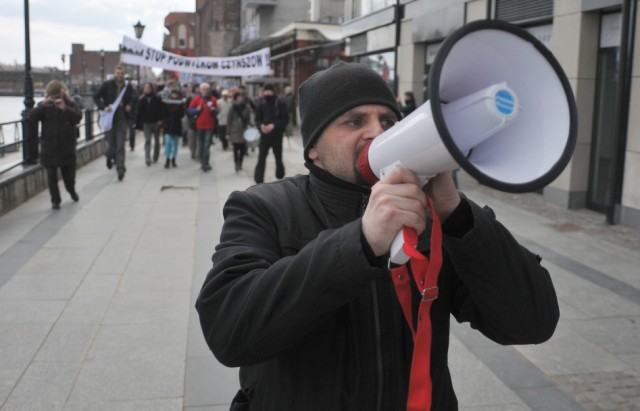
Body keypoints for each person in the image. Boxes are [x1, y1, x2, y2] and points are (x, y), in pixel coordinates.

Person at [195, 62, 559, 410]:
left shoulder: (435, 219)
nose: (377, 132)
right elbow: (229, 332)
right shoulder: (264, 208)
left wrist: (458, 217)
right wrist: (361, 243)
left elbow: (531, 322)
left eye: (388, 120)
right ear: (313, 150)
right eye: (354, 121)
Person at [30, 80, 82, 209]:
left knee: (69, 178)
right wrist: (42, 105)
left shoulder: (70, 104)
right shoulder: (44, 106)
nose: (55, 99)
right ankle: (55, 200)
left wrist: (64, 108)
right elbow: (31, 117)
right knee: (51, 176)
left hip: (66, 147)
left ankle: (71, 190)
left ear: (62, 93)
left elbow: (77, 117)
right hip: (50, 147)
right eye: (52, 97)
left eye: (57, 96)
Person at [93, 65, 133, 181]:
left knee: (121, 145)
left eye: (122, 73)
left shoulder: (128, 87)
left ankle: (120, 169)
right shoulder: (107, 85)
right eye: (118, 73)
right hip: (110, 116)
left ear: (124, 74)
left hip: (122, 117)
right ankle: (109, 156)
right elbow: (96, 97)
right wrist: (103, 107)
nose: (120, 75)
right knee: (112, 145)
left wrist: (129, 105)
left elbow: (131, 99)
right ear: (115, 74)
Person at [253, 83, 289, 184]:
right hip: (265, 136)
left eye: (269, 91)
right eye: (265, 91)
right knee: (261, 158)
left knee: (278, 157)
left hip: (277, 135)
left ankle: (280, 176)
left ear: (273, 91)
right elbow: (257, 119)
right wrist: (261, 126)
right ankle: (258, 179)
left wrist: (274, 125)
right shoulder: (261, 103)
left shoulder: (280, 103)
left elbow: (285, 119)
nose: (267, 93)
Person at [188, 83, 219, 172]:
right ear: (200, 90)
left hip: (210, 126)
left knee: (207, 145)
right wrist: (196, 110)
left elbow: (217, 112)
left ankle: (206, 163)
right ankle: (202, 162)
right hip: (199, 125)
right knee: (201, 145)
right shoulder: (196, 99)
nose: (205, 90)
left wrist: (214, 110)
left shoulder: (213, 99)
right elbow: (189, 111)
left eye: (207, 88)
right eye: (203, 89)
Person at [136, 82, 164, 166]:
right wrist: (138, 124)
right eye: (145, 87)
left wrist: (160, 120)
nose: (147, 89)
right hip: (146, 123)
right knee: (147, 140)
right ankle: (147, 158)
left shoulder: (157, 98)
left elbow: (162, 110)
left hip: (156, 122)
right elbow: (139, 112)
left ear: (151, 88)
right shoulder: (142, 99)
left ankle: (155, 156)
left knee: (156, 141)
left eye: (148, 87)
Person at [226, 91, 252, 172]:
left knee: (242, 148)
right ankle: (236, 163)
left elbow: (249, 118)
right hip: (234, 130)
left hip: (243, 130)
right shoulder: (232, 107)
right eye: (238, 97)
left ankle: (240, 163)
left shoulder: (247, 107)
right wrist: (228, 132)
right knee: (235, 148)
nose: (240, 98)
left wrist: (251, 125)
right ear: (236, 98)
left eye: (241, 97)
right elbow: (229, 120)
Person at [161, 89, 185, 168]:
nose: (174, 96)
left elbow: (182, 114)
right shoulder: (167, 103)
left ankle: (174, 159)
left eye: (176, 94)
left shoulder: (180, 103)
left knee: (175, 144)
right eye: (173, 94)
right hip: (168, 125)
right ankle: (167, 159)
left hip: (177, 125)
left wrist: (182, 105)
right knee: (168, 143)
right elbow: (163, 113)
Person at [126, 76, 140, 152]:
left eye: (129, 80)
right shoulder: (123, 89)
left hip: (132, 115)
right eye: (127, 80)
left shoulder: (134, 90)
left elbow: (137, 101)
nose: (129, 81)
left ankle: (132, 145)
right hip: (124, 114)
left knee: (132, 131)